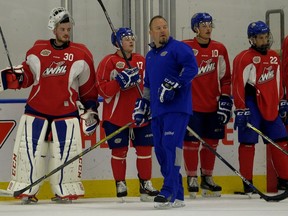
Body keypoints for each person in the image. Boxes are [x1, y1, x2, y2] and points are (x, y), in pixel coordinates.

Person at [0, 7, 99, 204]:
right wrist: (15, 77)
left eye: (68, 29)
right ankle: (25, 187)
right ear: (53, 29)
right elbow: (28, 75)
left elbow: (88, 88)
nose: (66, 32)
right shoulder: (37, 49)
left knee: (66, 153)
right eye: (62, 29)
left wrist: (91, 110)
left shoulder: (81, 54)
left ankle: (66, 188)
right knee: (27, 151)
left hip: (67, 112)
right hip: (37, 109)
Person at [133, 15, 198, 209]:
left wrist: (176, 84)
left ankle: (168, 189)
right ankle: (178, 194)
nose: (162, 30)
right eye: (158, 28)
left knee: (172, 146)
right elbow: (148, 84)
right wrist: (143, 104)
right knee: (161, 150)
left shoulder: (179, 48)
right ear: (151, 32)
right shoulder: (150, 56)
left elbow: (192, 68)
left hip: (177, 109)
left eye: (165, 27)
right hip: (158, 111)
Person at [95, 27, 159, 202]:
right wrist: (119, 82)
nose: (131, 41)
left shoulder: (141, 60)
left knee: (145, 150)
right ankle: (120, 182)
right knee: (119, 151)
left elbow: (150, 84)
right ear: (117, 43)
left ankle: (145, 183)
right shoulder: (108, 62)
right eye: (126, 38)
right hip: (116, 117)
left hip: (140, 115)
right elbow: (101, 90)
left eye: (132, 38)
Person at [232, 20, 288, 195]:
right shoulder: (243, 58)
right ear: (252, 39)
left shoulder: (273, 56)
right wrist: (241, 108)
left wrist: (281, 101)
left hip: (271, 105)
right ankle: (248, 183)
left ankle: (284, 181)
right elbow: (238, 85)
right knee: (248, 143)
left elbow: (279, 81)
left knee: (280, 140)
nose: (264, 40)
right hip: (251, 105)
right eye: (260, 38)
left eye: (266, 37)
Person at [182, 12, 232, 198]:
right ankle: (192, 177)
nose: (208, 28)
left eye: (210, 24)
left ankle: (207, 178)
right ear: (195, 28)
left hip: (213, 105)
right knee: (191, 143)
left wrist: (225, 99)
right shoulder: (186, 47)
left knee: (211, 143)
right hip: (192, 106)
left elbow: (226, 78)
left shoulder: (220, 48)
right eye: (203, 25)